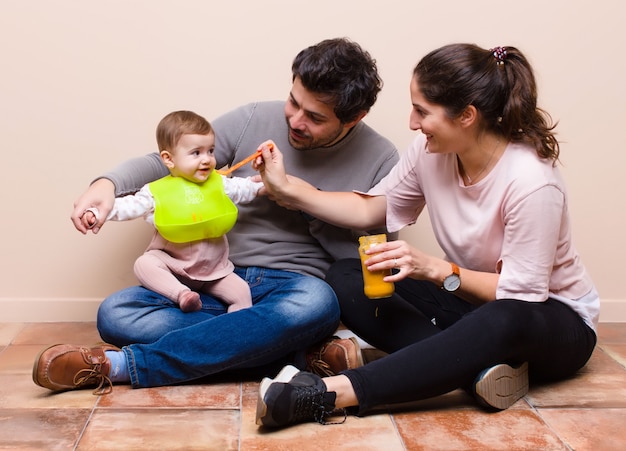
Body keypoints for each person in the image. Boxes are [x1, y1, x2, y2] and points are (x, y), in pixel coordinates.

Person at [254, 43, 600, 428]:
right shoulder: (430, 150)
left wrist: (437, 269)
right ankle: (476, 372)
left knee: (505, 317)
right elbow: (371, 208)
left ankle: (328, 395)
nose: (412, 122)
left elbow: (521, 294)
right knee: (349, 275)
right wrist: (288, 190)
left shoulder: (532, 182)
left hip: (549, 320)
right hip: (475, 306)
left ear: (466, 116)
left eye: (422, 111)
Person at [32, 37, 399, 394]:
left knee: (317, 305)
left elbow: (364, 264)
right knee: (116, 313)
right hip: (212, 278)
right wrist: (107, 185)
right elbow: (167, 163)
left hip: (292, 289)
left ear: (354, 118)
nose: (295, 121)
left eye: (315, 117)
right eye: (293, 101)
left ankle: (122, 367)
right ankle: (297, 353)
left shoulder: (381, 159)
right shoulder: (252, 117)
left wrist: (302, 199)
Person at [83, 111, 262, 313]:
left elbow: (243, 188)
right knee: (144, 264)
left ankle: (232, 330)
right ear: (168, 159)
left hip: (214, 271)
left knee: (242, 293)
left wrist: (261, 185)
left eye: (210, 151)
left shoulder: (219, 182)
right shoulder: (156, 191)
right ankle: (182, 295)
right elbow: (129, 206)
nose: (207, 160)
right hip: (173, 268)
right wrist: (99, 212)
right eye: (196, 153)